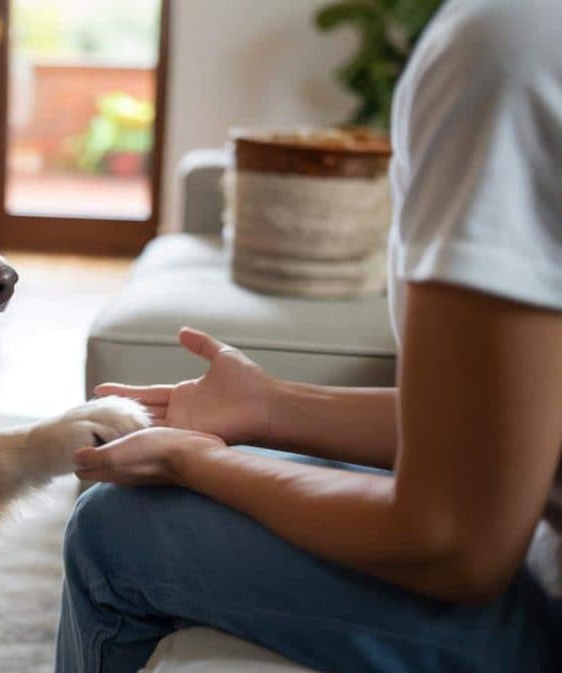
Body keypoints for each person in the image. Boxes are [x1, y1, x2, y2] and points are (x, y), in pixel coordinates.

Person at [54, 1, 562, 671]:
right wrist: (271, 407)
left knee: (111, 528)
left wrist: (196, 461)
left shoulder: (506, 47)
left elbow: (451, 542)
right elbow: (508, 431)